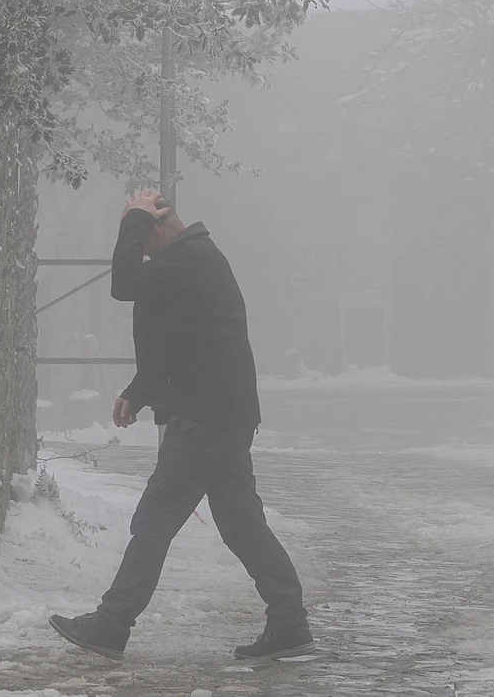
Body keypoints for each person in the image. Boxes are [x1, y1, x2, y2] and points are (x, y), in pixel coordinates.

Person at [49, 189, 311, 662]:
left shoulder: (193, 257)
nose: (139, 249)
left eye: (139, 235)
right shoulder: (189, 262)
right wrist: (138, 391)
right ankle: (290, 623)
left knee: (155, 519)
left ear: (157, 225)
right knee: (241, 525)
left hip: (207, 418)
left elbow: (123, 283)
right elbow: (176, 343)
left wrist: (133, 218)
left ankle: (111, 624)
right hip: (219, 415)